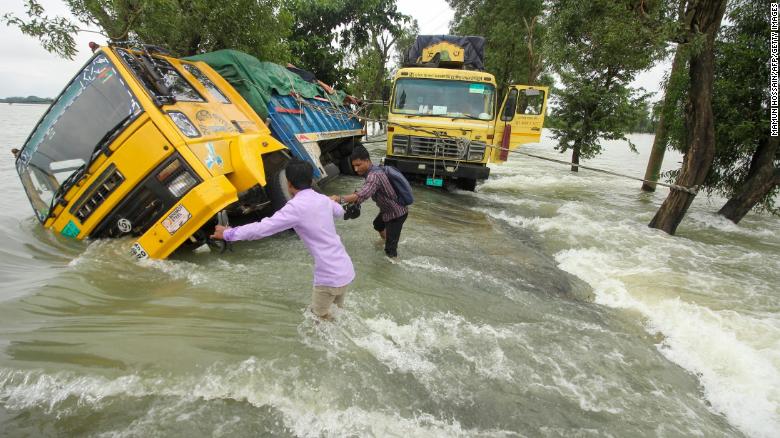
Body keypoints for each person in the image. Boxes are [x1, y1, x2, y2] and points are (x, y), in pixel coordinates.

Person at [211, 160, 354, 320]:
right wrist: (330, 200)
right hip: (345, 269)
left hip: (328, 277)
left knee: (318, 321)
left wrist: (228, 234)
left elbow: (262, 228)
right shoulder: (323, 200)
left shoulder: (295, 207)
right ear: (310, 180)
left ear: (289, 183)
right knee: (336, 316)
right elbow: (340, 212)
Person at [330, 145, 408, 260]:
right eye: (354, 166)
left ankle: (393, 262)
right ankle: (388, 240)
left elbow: (363, 194)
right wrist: (354, 202)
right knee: (378, 224)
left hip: (397, 213)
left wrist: (339, 199)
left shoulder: (374, 175)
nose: (356, 169)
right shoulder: (372, 171)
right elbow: (367, 191)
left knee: (390, 252)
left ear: (367, 161)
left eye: (358, 165)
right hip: (387, 210)